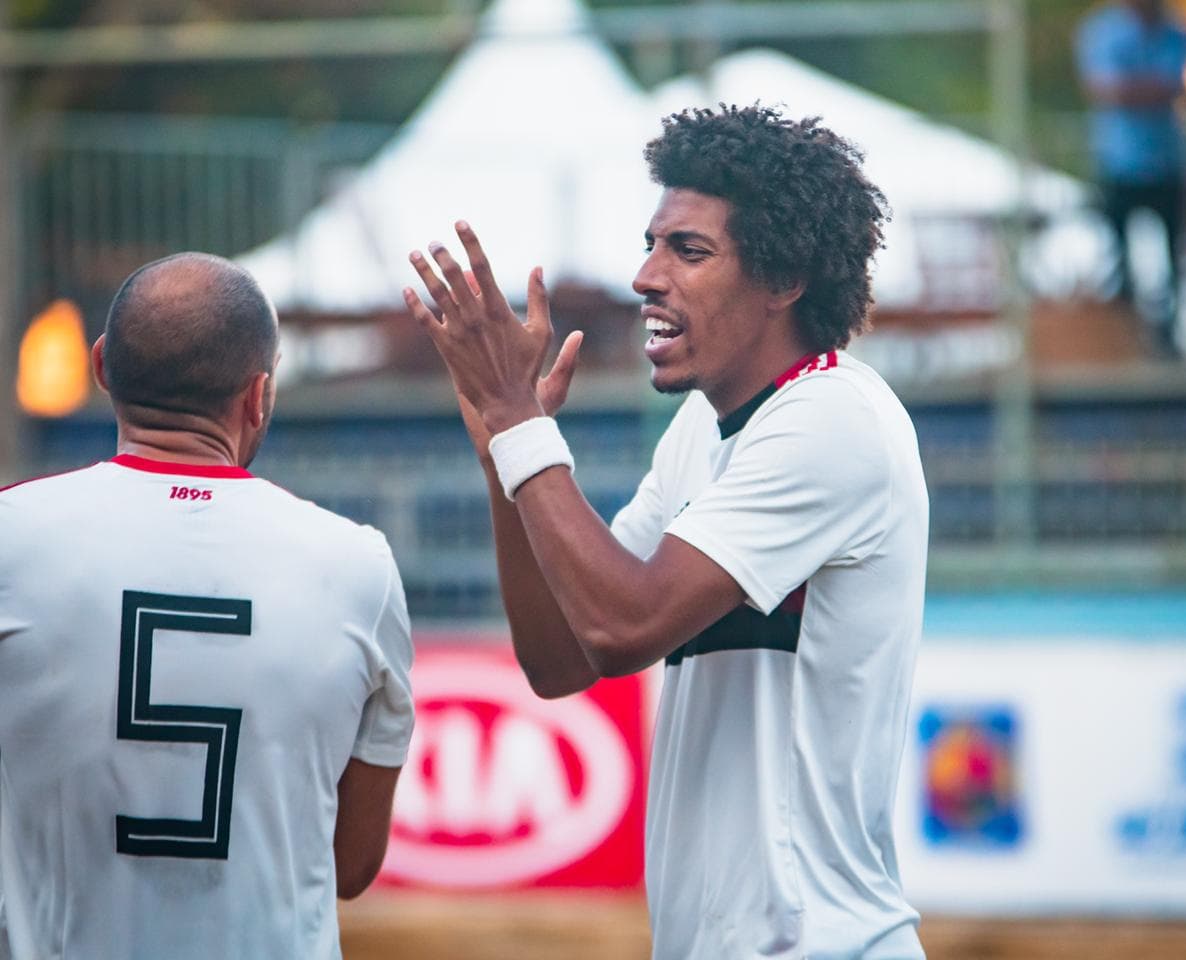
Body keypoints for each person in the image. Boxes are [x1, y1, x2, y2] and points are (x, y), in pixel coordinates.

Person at [404, 105, 928, 959]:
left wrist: (519, 423)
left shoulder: (833, 416)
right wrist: (506, 454)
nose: (646, 276)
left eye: (688, 250)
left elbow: (624, 627)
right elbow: (561, 660)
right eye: (651, 245)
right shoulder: (700, 429)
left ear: (783, 277)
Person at [0, 253, 414, 959]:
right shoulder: (358, 566)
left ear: (102, 367)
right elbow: (350, 865)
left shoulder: (12, 537)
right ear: (258, 395)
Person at [1075, 0, 1186, 358]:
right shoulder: (1103, 30)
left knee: (1174, 260)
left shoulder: (1177, 31)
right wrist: (1149, 91)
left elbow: (1169, 87)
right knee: (1119, 261)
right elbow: (1108, 90)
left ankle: (1168, 339)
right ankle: (1124, 340)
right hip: (1118, 164)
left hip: (1168, 165)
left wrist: (1131, 90)